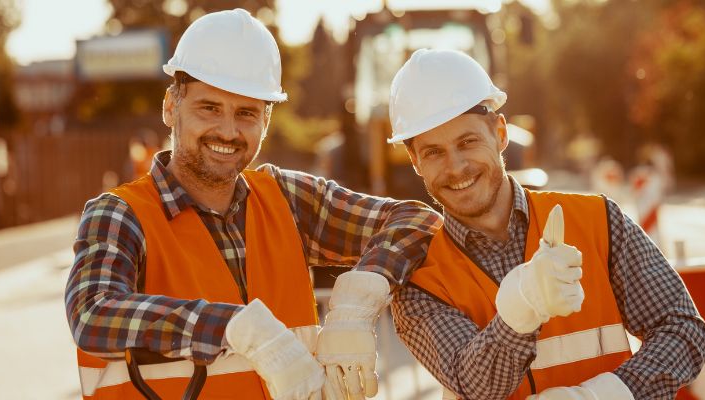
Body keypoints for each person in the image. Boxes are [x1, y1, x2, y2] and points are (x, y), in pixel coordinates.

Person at [64, 9, 440, 400]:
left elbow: (416, 221)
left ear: (266, 119)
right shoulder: (120, 214)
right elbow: (93, 313)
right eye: (209, 108)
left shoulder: (289, 201)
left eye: (246, 113)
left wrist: (358, 302)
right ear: (171, 106)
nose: (227, 131)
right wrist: (236, 327)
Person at [387, 49, 705, 400]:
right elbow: (476, 386)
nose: (456, 167)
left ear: (500, 133)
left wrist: (604, 395)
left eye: (468, 142)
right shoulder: (420, 284)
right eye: (434, 152)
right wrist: (521, 309)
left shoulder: (596, 219)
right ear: (415, 161)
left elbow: (682, 330)